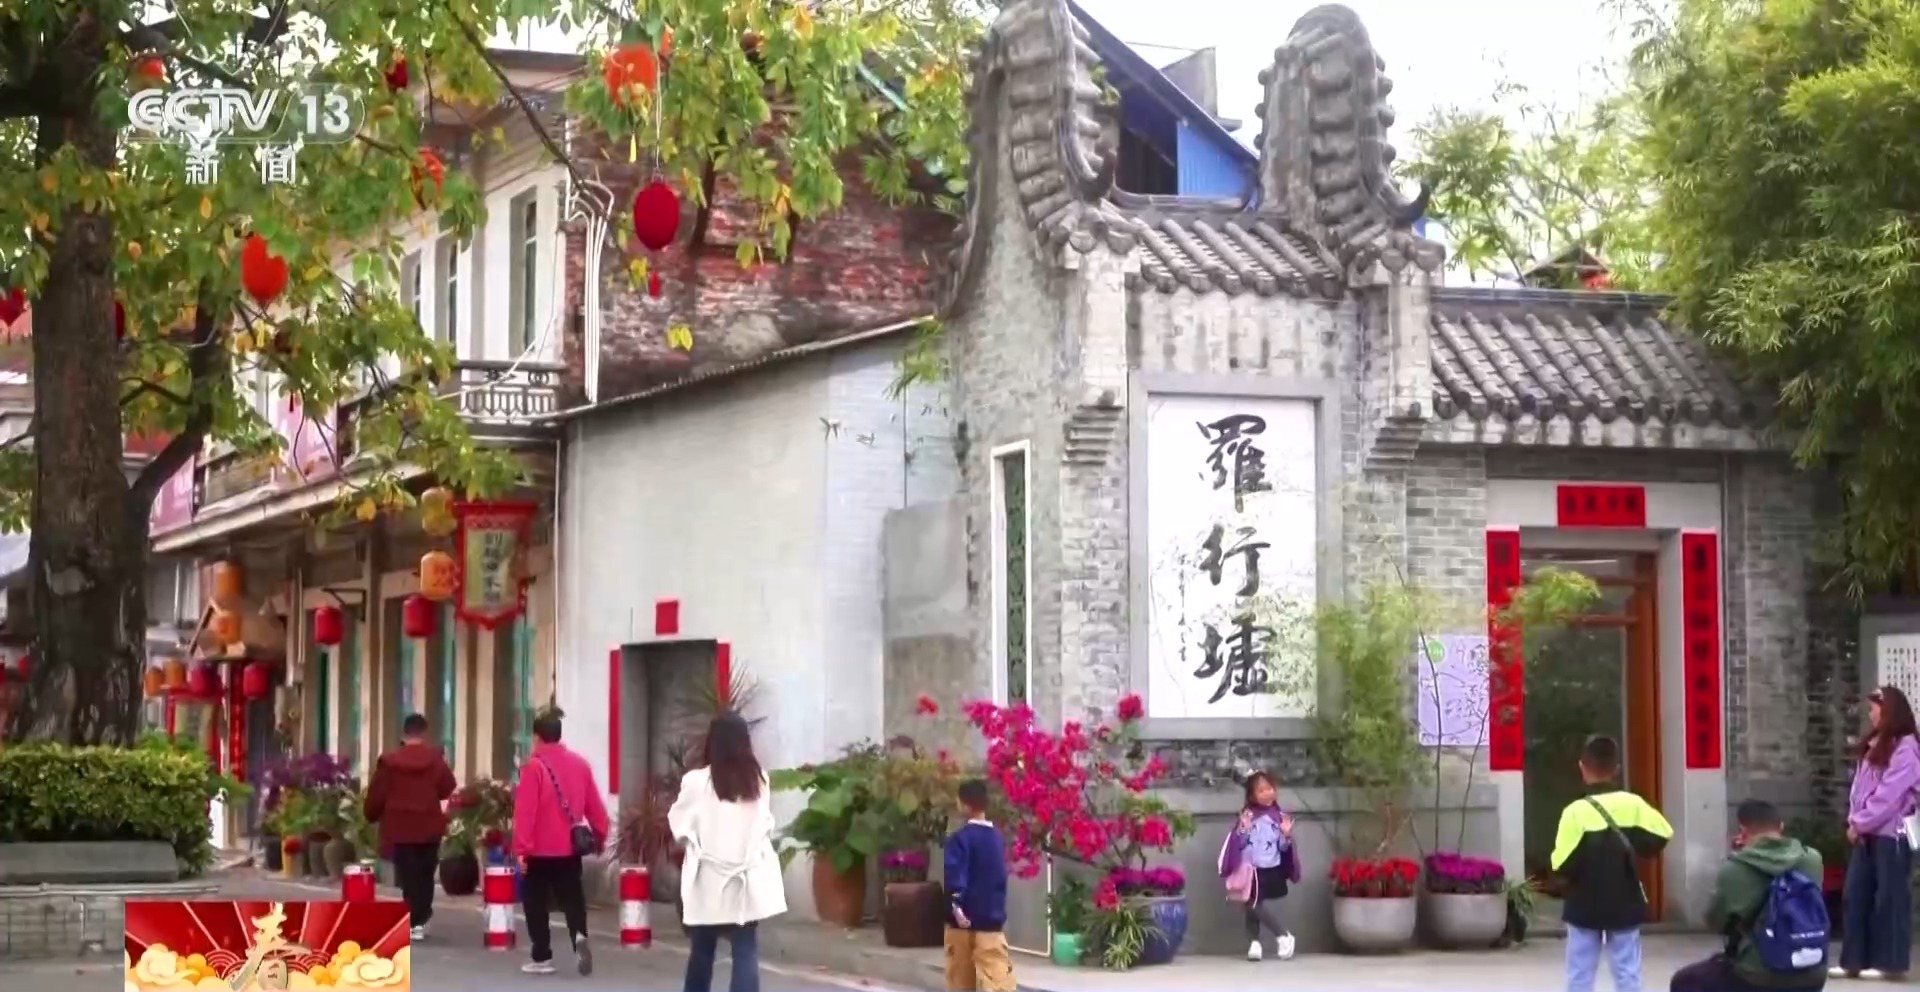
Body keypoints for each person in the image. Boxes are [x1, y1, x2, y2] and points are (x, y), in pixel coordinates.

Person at [667, 712, 787, 992]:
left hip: (707, 880)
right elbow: (763, 826)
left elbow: (678, 825)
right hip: (746, 880)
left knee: (702, 950)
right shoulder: (759, 781)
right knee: (745, 950)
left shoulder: (696, 782)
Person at [1550, 734, 1673, 992]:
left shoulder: (1575, 812)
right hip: (1624, 900)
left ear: (1582, 767)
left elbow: (1561, 863)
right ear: (1616, 769)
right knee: (1627, 972)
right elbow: (1662, 834)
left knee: (1579, 975)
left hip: (1583, 903)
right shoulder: (1634, 804)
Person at [1669, 799, 1827, 991]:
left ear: (1742, 831)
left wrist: (1740, 857)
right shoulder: (1812, 859)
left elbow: (1715, 921)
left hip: (1758, 974)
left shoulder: (1735, 868)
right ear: (1781, 827)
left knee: (1684, 980)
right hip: (1813, 971)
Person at [511, 711, 609, 977]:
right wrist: (600, 835)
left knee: (535, 903)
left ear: (537, 737)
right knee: (572, 899)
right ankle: (579, 937)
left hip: (538, 851)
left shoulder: (533, 768)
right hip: (569, 849)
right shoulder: (580, 765)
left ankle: (542, 956)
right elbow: (595, 807)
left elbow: (526, 813)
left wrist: (521, 850)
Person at [1833, 685, 1920, 981]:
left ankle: (1890, 964)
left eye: (1873, 708)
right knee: (1855, 894)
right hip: (1866, 832)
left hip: (1891, 834)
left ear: (1889, 710)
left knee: (1889, 899)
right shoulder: (1875, 743)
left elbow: (1889, 796)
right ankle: (1853, 960)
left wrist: (1859, 823)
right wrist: (1854, 820)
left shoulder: (1907, 747)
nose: (1870, 714)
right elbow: (1860, 789)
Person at [363, 712, 457, 941]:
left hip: (399, 826)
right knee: (425, 873)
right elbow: (447, 786)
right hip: (428, 826)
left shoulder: (389, 762)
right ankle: (420, 918)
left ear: (403, 734)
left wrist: (371, 814)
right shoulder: (434, 759)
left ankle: (413, 918)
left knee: (408, 874)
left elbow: (377, 794)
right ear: (424, 733)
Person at [1216, 769, 1301, 961]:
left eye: (1269, 788)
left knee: (1253, 904)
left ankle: (1281, 935)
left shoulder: (1280, 817)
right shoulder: (1247, 816)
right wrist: (1243, 829)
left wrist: (1286, 834)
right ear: (1252, 795)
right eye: (1261, 790)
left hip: (1270, 868)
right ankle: (1256, 943)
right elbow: (1239, 843)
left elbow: (1283, 847)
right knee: (1251, 902)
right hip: (1250, 869)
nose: (1267, 793)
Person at [944, 779, 1012, 992]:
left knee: (960, 982)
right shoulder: (998, 839)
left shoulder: (959, 839)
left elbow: (956, 874)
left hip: (962, 923)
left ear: (964, 805)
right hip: (991, 922)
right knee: (999, 981)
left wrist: (956, 906)